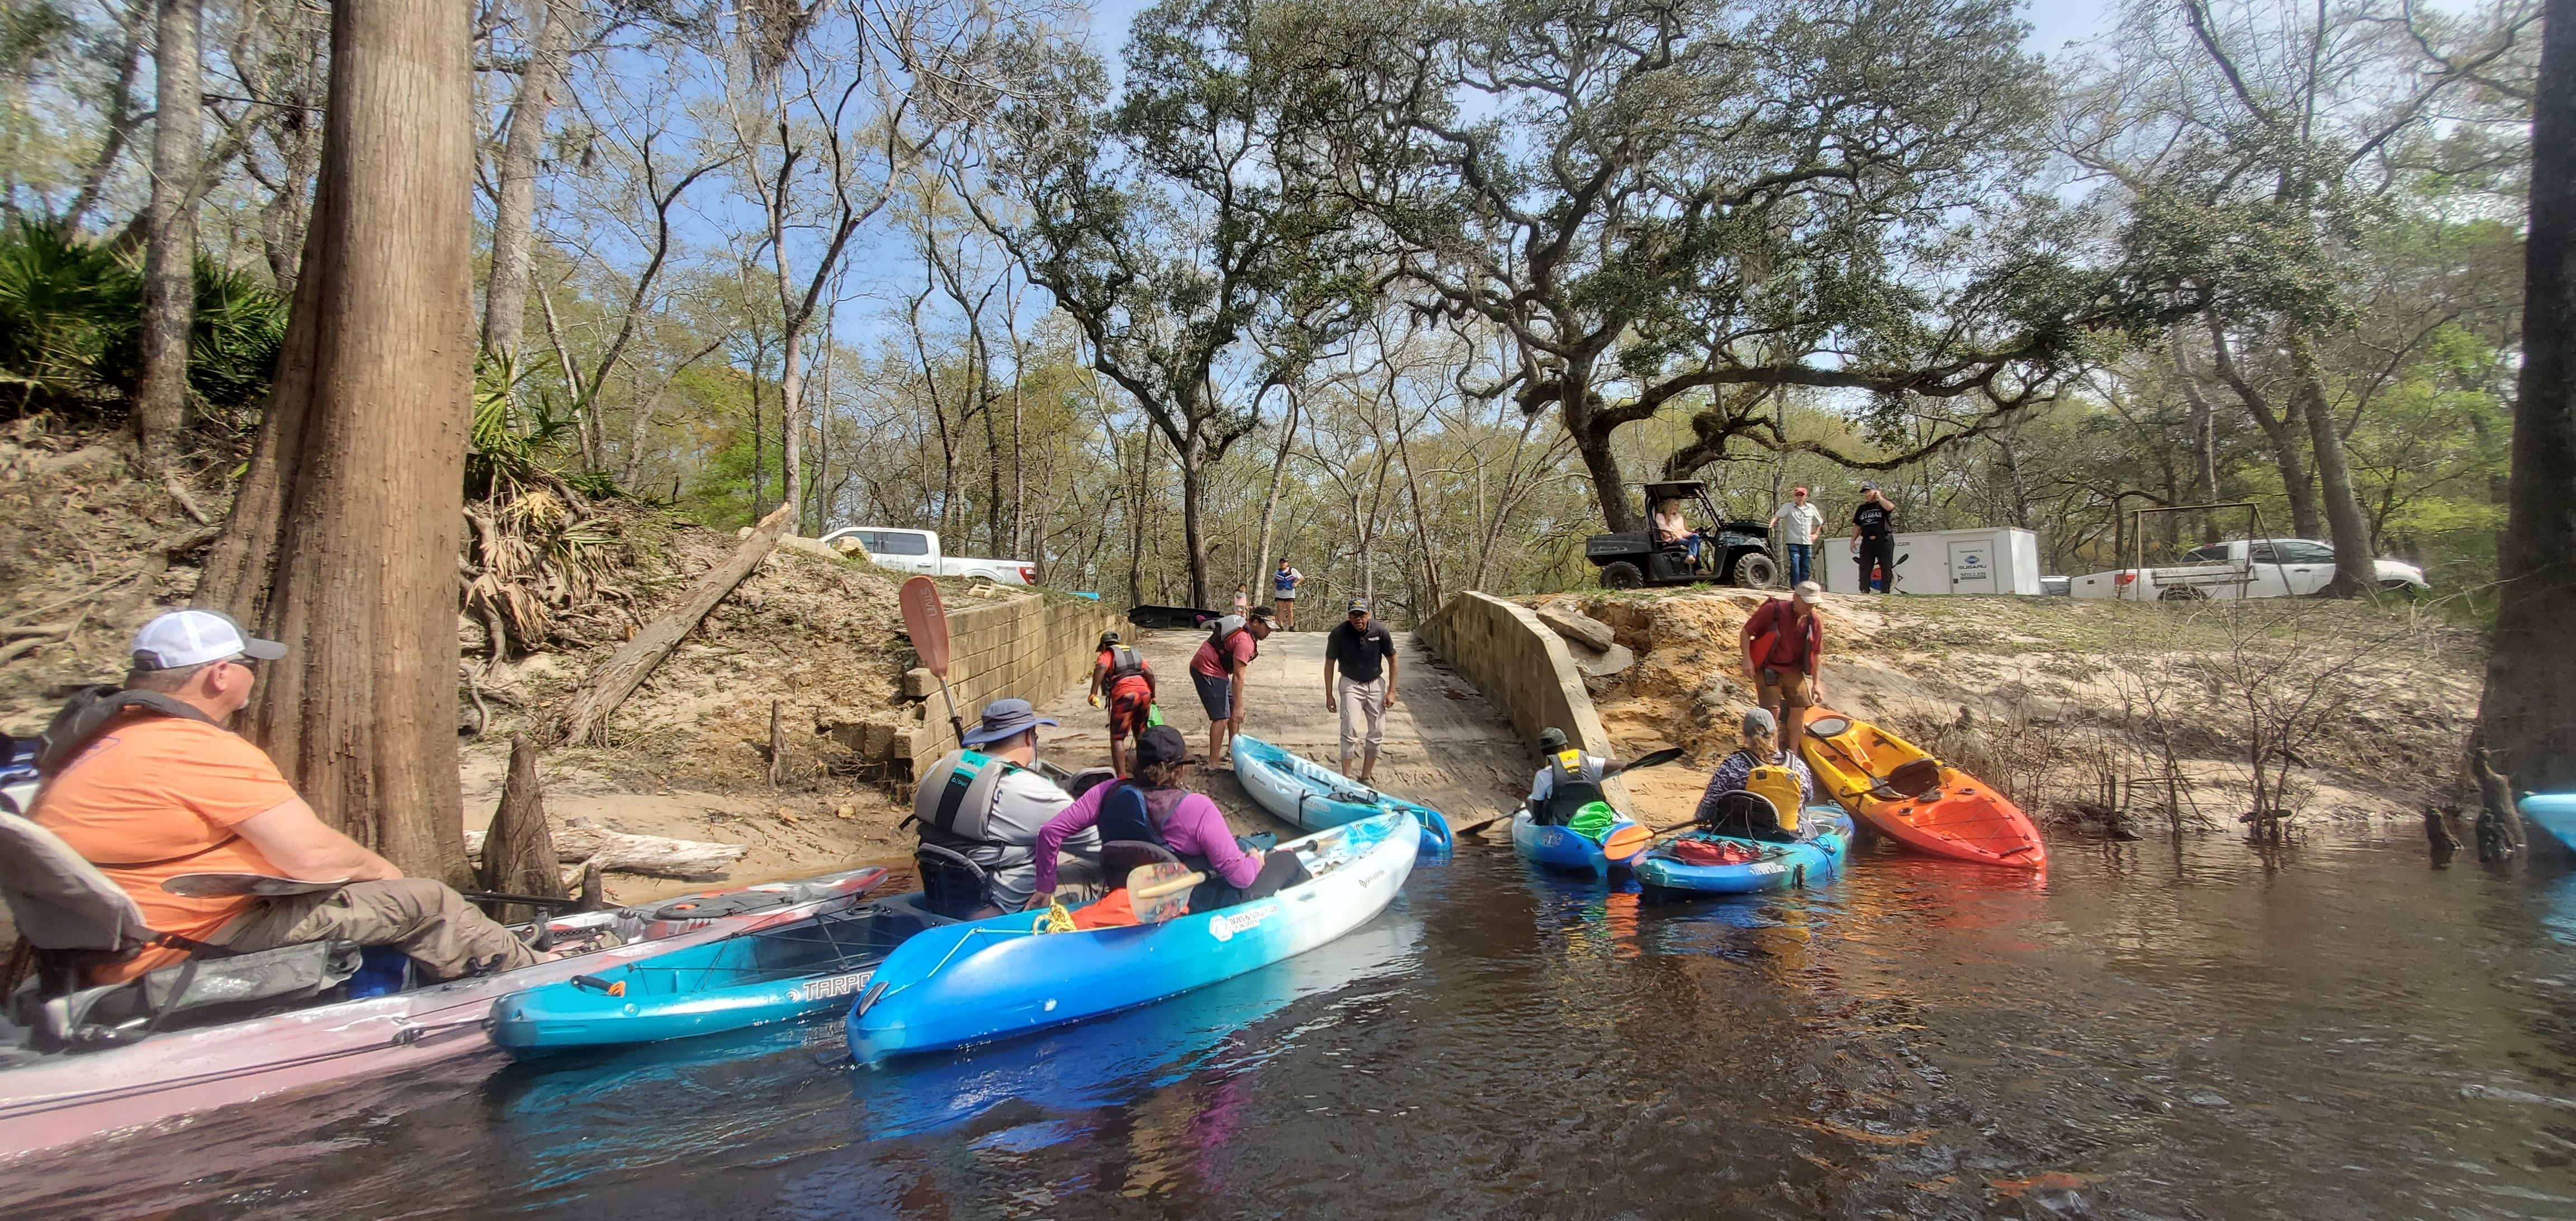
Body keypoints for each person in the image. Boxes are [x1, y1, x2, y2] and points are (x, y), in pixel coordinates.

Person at [33, 609, 538, 985]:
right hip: (184, 940)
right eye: (249, 662)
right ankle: (536, 978)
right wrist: (388, 878)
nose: (254, 673)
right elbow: (314, 858)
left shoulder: (94, 742)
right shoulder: (193, 747)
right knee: (427, 902)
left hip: (119, 943)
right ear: (220, 675)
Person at [1029, 726, 1306, 913]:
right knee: (1287, 860)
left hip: (1129, 896)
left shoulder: (1106, 791)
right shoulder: (1197, 807)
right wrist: (1255, 861)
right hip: (1190, 904)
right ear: (1180, 768)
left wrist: (1045, 887)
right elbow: (1241, 878)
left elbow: (1050, 832)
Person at [913, 698, 1102, 914]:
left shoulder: (937, 769)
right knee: (1099, 871)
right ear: (1029, 738)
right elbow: (1106, 847)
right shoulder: (1036, 792)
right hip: (1005, 910)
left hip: (945, 896)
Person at [1691, 707, 1820, 834]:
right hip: (1786, 837)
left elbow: (1708, 806)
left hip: (1742, 835)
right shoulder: (1799, 766)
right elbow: (1808, 798)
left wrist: (1699, 818)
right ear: (1775, 732)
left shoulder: (1732, 766)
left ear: (1744, 734)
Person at [1740, 581, 1827, 755]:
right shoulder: (1773, 611)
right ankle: (1775, 752)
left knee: (1799, 707)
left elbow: (1816, 653)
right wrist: (1747, 660)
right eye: (1807, 602)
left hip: (1793, 670)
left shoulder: (1814, 622)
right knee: (1773, 710)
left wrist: (1816, 683)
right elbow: (1746, 632)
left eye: (1813, 603)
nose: (1810, 606)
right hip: (1768, 668)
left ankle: (1793, 753)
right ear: (1795, 598)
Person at [1323, 599, 1399, 782]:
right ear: (1349, 617)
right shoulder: (1338, 634)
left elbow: (1393, 660)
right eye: (1354, 615)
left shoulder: (1380, 631)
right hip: (1350, 684)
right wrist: (1329, 695)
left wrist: (1392, 691)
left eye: (1362, 615)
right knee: (1349, 729)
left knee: (1378, 731)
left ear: (1369, 615)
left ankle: (1366, 777)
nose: (1358, 619)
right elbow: (1330, 663)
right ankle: (1346, 778)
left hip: (1375, 684)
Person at [1192, 607, 1274, 768]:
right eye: (1267, 627)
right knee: (1221, 717)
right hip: (1206, 670)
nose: (1270, 631)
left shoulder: (1246, 632)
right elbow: (1238, 677)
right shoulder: (1245, 643)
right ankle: (1213, 763)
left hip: (1219, 670)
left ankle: (1233, 751)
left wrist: (1236, 706)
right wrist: (1239, 706)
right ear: (1256, 622)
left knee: (1232, 708)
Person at [1088, 631, 1157, 777]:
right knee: (1141, 733)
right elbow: (1149, 674)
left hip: (1125, 695)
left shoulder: (1107, 654)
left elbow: (1101, 668)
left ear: (1105, 645)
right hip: (1145, 694)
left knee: (1118, 737)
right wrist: (1153, 696)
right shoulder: (1134, 654)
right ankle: (1145, 772)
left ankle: (1121, 777)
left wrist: (1093, 693)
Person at [1525, 726, 1627, 826]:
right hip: (1592, 816)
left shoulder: (1543, 775)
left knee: (1530, 801)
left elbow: (1538, 809)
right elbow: (1620, 765)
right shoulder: (1588, 762)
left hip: (1562, 821)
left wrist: (1539, 823)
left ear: (1544, 753)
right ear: (1565, 747)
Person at [1849, 482, 1897, 593]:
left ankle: (1885, 591)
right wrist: (1853, 541)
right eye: (1865, 493)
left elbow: (1890, 507)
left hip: (1884, 539)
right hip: (1867, 541)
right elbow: (1857, 526)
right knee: (1865, 566)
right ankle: (1864, 590)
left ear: (1875, 491)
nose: (1866, 495)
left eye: (1869, 492)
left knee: (1885, 566)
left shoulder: (1883, 505)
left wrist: (1879, 497)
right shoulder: (1862, 508)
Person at [1770, 486, 1824, 586]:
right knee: (1795, 564)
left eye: (1801, 495)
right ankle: (1795, 587)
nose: (1799, 497)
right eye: (1797, 495)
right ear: (1794, 496)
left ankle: (1804, 587)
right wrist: (1771, 524)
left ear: (1805, 496)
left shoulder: (1811, 508)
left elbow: (1819, 522)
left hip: (1807, 542)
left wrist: (1816, 534)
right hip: (1793, 541)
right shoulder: (1788, 507)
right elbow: (1777, 516)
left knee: (1806, 566)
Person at [1651, 498, 1700, 569]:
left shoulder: (1679, 517)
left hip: (1680, 538)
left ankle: (1691, 557)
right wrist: (1675, 535)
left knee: (1696, 537)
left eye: (1678, 506)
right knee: (1690, 543)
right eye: (1675, 505)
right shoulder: (1660, 516)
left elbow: (1682, 531)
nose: (1677, 507)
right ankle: (1698, 568)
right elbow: (1664, 529)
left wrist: (1691, 533)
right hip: (1671, 539)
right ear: (1670, 505)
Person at [1271, 560, 1304, 628]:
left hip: (1290, 593)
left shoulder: (1293, 570)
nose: (1282, 564)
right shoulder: (1277, 572)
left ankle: (1291, 626)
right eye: (1281, 563)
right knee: (1280, 609)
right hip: (1280, 593)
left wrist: (1296, 584)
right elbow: (1273, 581)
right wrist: (1275, 584)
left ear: (1287, 563)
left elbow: (1302, 578)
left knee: (1290, 610)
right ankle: (1281, 626)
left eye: (1284, 562)